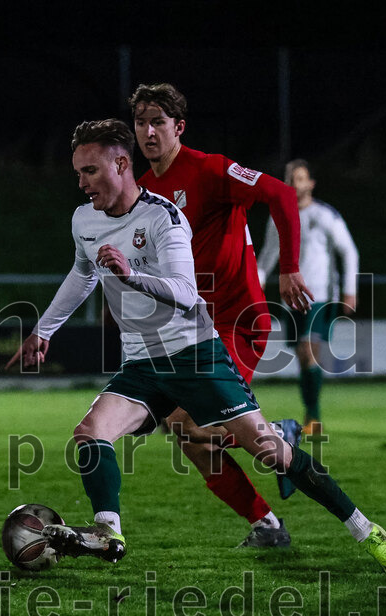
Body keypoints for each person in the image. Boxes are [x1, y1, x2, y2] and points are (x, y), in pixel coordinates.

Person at [7, 119, 386, 574]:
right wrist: (44, 329)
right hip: (142, 361)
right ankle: (107, 531)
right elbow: (82, 274)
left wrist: (129, 277)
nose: (81, 183)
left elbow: (184, 291)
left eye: (90, 171)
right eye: (78, 172)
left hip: (194, 354)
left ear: (122, 164)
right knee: (90, 433)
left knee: (268, 451)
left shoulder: (163, 216)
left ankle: (366, 530)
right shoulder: (84, 219)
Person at [128, 83, 312, 546]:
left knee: (192, 425)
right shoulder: (144, 193)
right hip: (189, 331)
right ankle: (265, 525)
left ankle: (276, 435)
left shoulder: (210, 170)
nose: (148, 132)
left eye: (158, 122)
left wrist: (289, 267)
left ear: (178, 127)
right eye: (141, 122)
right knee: (185, 435)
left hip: (238, 319)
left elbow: (282, 196)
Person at [258, 159, 359, 436]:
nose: (294, 183)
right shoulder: (278, 214)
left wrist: (350, 289)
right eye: (290, 178)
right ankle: (311, 413)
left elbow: (349, 251)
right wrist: (255, 285)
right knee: (304, 357)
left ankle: (313, 417)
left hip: (319, 295)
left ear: (311, 184)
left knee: (307, 349)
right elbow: (268, 255)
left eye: (300, 178)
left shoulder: (325, 215)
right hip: (290, 299)